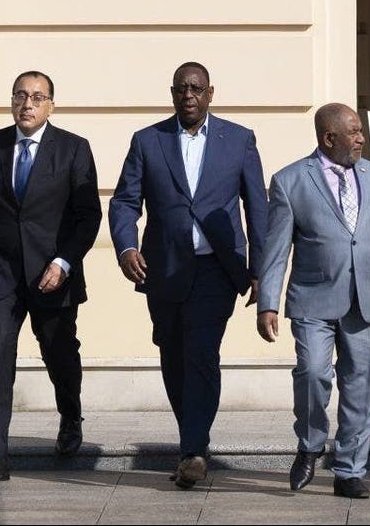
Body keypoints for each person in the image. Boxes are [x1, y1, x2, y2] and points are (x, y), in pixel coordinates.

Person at [108, 61, 268, 489]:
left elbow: (257, 209)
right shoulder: (148, 141)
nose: (189, 95)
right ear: (172, 93)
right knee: (172, 354)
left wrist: (261, 271)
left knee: (201, 353)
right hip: (163, 267)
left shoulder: (238, 140)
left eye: (196, 88)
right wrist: (126, 247)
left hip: (217, 267)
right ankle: (192, 439)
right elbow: (125, 202)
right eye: (181, 89)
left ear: (211, 93)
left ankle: (194, 450)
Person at [0, 71, 101, 485]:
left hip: (53, 273)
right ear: (11, 102)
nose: (26, 105)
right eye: (19, 96)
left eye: (36, 97)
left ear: (51, 104)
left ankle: (70, 416)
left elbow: (88, 217)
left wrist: (64, 262)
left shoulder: (73, 149)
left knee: (59, 352)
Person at [255, 103, 370, 499]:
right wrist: (267, 302)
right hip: (313, 300)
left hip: (366, 299)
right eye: (353, 131)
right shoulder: (289, 181)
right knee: (313, 373)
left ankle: (349, 470)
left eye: (360, 131)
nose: (361, 138)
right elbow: (276, 249)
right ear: (328, 138)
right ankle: (309, 445)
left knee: (361, 386)